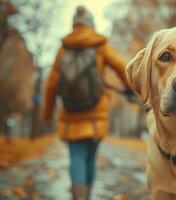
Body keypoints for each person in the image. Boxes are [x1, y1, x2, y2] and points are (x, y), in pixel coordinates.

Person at [43, 6, 131, 200]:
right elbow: (121, 67)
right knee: (90, 158)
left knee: (76, 156)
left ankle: (79, 197)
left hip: (71, 113)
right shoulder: (99, 45)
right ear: (91, 23)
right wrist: (131, 88)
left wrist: (47, 114)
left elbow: (51, 84)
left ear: (74, 24)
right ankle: (87, 196)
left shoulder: (64, 48)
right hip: (95, 113)